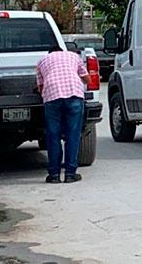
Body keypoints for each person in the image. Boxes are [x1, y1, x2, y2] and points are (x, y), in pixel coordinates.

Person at [36, 45, 91, 184]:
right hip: (73, 94)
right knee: (72, 135)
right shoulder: (73, 56)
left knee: (53, 135)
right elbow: (87, 78)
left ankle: (54, 175)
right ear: (61, 51)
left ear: (50, 53)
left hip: (52, 96)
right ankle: (70, 174)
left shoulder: (42, 61)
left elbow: (41, 87)